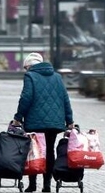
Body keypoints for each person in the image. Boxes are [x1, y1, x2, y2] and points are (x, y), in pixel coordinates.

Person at [13, 52, 73, 193]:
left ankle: (32, 185)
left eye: (25, 68)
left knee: (33, 150)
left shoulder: (30, 76)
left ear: (29, 66)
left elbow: (26, 98)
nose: (25, 71)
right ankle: (47, 186)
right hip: (54, 122)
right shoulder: (57, 77)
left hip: (34, 121)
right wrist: (69, 120)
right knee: (49, 151)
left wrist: (18, 117)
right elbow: (65, 99)